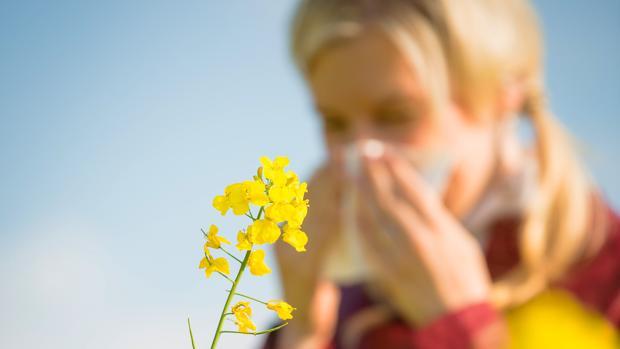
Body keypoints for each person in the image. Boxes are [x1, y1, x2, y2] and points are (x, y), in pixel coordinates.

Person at [263, 0, 620, 348]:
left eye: (396, 115)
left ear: (503, 97)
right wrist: (302, 332)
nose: (360, 155)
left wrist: (462, 327)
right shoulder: (345, 288)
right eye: (335, 123)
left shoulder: (603, 270)